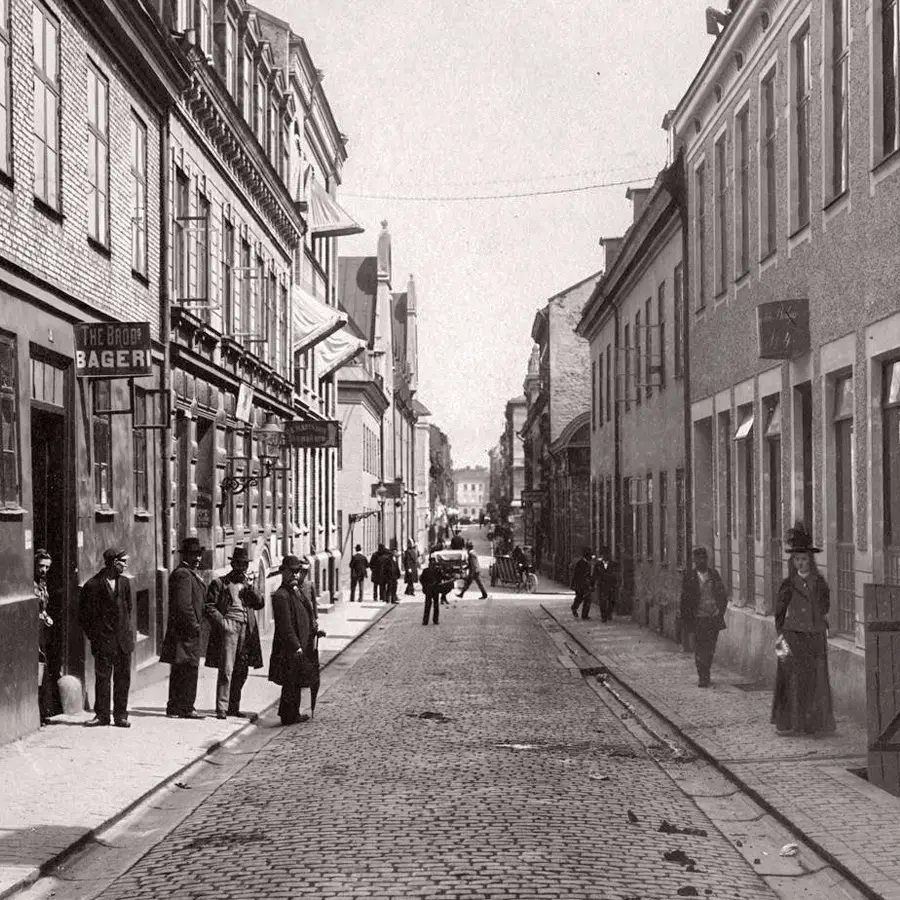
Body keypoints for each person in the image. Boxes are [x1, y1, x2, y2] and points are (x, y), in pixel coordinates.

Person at [771, 522, 836, 736]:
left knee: (815, 679)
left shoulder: (819, 583)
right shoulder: (788, 584)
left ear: (811, 560)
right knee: (791, 678)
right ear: (793, 562)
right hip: (792, 636)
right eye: (797, 560)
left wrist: (816, 617)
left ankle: (814, 724)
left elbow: (825, 605)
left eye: (805, 559)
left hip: (815, 636)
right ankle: (791, 724)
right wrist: (781, 635)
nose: (801, 563)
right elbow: (779, 612)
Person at [204, 547, 265, 720]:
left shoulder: (247, 584)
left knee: (242, 669)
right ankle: (222, 708)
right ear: (232, 564)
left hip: (247, 629)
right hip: (229, 627)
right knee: (227, 669)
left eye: (245, 565)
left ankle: (234, 706)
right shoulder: (221, 583)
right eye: (239, 564)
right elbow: (209, 607)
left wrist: (251, 588)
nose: (242, 568)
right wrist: (223, 624)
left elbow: (260, 604)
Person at [78, 548, 134, 728]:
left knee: (123, 679)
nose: (125, 565)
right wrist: (96, 638)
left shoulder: (125, 583)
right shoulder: (92, 585)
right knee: (103, 679)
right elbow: (84, 616)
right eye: (123, 561)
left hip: (123, 641)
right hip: (103, 642)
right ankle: (102, 715)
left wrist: (126, 633)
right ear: (113, 562)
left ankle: (121, 716)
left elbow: (129, 609)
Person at [269, 556, 325, 725]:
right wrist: (295, 646)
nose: (295, 574)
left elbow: (306, 614)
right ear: (283, 572)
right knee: (290, 681)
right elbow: (285, 626)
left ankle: (293, 713)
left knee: (296, 680)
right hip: (290, 647)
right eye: (291, 571)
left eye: (297, 571)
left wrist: (315, 631)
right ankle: (288, 715)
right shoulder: (281, 595)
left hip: (303, 643)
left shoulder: (297, 590)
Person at [160, 537, 206, 719]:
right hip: (186, 633)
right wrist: (194, 626)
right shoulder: (183, 575)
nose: (198, 558)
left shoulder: (188, 573)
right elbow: (184, 605)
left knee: (182, 668)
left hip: (186, 632)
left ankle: (177, 707)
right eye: (194, 555)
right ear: (185, 555)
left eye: (199, 555)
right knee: (187, 669)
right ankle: (185, 707)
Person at [679, 547, 728, 688]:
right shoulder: (690, 577)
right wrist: (687, 621)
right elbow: (685, 601)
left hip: (713, 618)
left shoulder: (714, 575)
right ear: (694, 561)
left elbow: (722, 595)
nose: (701, 561)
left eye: (703, 558)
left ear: (707, 560)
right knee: (700, 648)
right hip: (699, 618)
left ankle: (706, 671)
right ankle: (703, 676)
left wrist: (720, 611)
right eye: (698, 559)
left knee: (711, 648)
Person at [35, 549, 55, 725]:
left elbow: (42, 606)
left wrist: (46, 615)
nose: (44, 570)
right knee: (38, 668)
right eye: (41, 565)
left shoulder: (43, 584)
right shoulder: (31, 583)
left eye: (47, 567)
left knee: (43, 668)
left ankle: (43, 711)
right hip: (34, 631)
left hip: (42, 630)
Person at [419, 556, 451, 626]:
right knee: (435, 605)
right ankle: (435, 620)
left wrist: (424, 587)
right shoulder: (437, 570)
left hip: (429, 590)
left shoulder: (426, 570)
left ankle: (425, 621)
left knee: (428, 605)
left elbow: (421, 580)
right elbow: (444, 577)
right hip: (435, 589)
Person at [570, 547, 596, 619]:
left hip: (584, 585)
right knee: (582, 598)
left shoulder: (586, 563)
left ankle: (582, 613)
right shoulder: (581, 563)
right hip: (581, 585)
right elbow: (579, 576)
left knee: (584, 598)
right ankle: (577, 610)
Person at [595, 546, 618, 623]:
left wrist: (616, 583)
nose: (605, 556)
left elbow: (616, 574)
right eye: (603, 555)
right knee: (602, 601)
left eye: (607, 554)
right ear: (602, 555)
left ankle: (609, 613)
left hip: (611, 585)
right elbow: (595, 575)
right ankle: (603, 616)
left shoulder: (614, 564)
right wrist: (593, 584)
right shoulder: (598, 564)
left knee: (612, 601)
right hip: (602, 585)